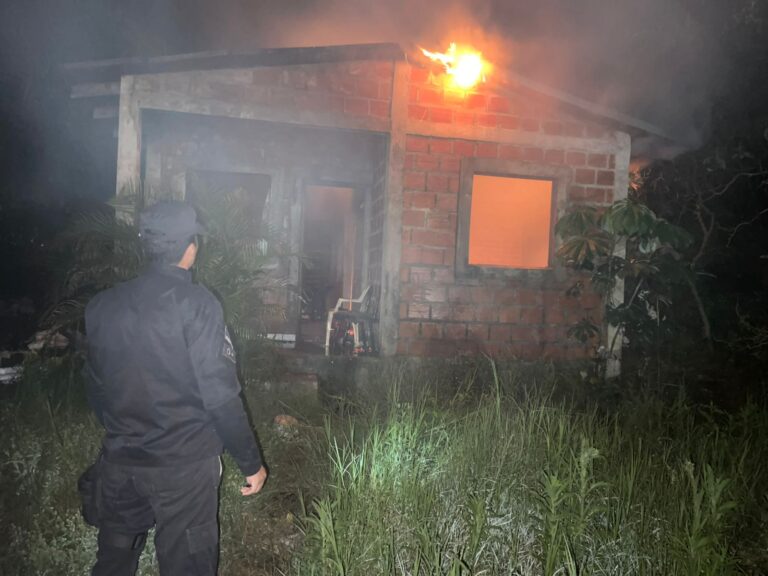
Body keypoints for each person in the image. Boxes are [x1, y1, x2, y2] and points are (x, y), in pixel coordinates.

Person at [83, 201, 267, 576]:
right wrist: (251, 463)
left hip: (121, 462)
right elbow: (220, 395)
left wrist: (127, 431)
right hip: (183, 469)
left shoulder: (102, 305)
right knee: (187, 566)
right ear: (190, 246)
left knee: (114, 561)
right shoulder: (198, 304)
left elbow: (95, 385)